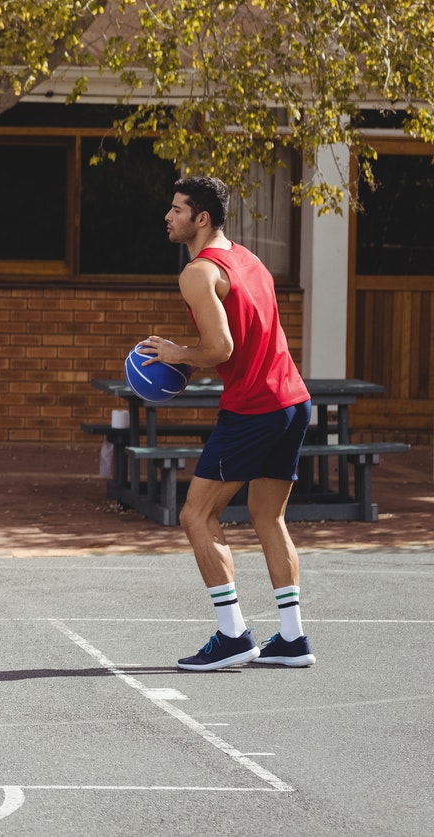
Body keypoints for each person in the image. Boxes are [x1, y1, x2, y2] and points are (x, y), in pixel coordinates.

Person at [136, 176, 315, 671]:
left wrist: (177, 354)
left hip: (255, 408)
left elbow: (222, 349)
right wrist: (190, 358)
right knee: (267, 517)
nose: (167, 218)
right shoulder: (249, 259)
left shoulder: (197, 272)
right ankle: (293, 638)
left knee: (196, 515)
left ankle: (233, 634)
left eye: (176, 210)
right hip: (292, 399)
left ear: (202, 219)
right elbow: (245, 337)